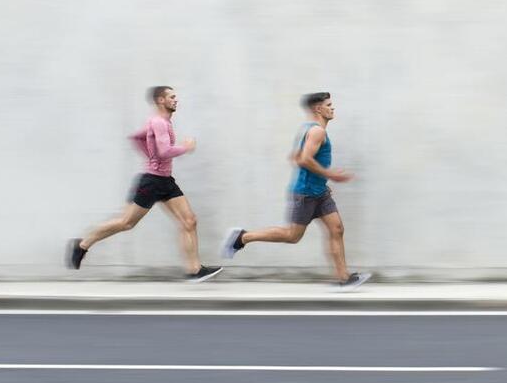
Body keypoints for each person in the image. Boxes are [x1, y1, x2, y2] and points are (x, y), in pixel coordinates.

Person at [67, 86, 223, 282]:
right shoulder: (159, 122)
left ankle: (194, 270)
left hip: (165, 181)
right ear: (160, 100)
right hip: (151, 182)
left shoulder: (160, 122)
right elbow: (164, 151)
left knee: (189, 221)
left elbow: (138, 138)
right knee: (126, 223)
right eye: (172, 97)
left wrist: (151, 156)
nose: (176, 100)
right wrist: (185, 147)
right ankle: (82, 244)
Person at [222, 92, 371, 289]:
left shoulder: (307, 129)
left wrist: (322, 181)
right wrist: (330, 174)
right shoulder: (317, 131)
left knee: (337, 229)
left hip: (319, 191)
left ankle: (344, 278)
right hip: (306, 193)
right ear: (318, 109)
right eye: (329, 104)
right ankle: (242, 237)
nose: (333, 108)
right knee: (292, 236)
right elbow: (302, 159)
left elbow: (294, 156)